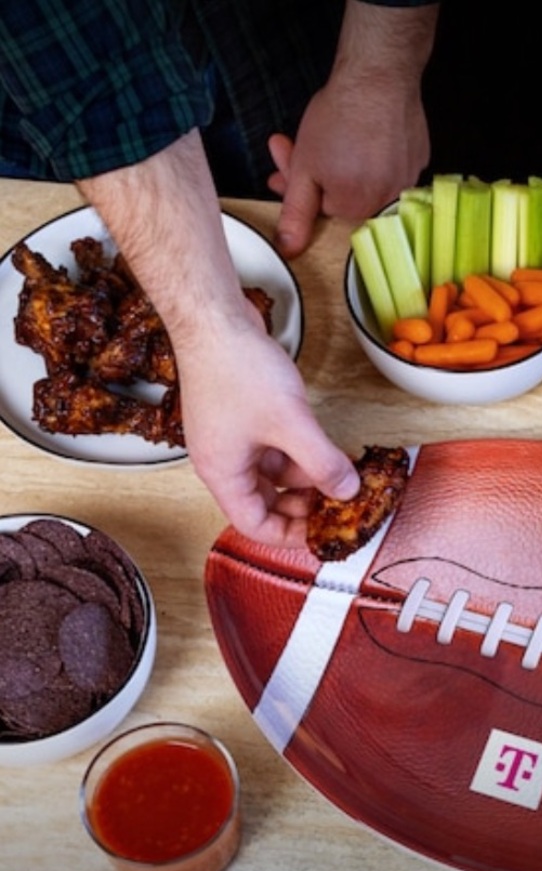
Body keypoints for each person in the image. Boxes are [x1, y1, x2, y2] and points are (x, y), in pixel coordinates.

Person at [0, 0, 440, 548]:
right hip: (33, 99)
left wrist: (377, 74)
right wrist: (210, 333)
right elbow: (74, 43)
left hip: (274, 44)